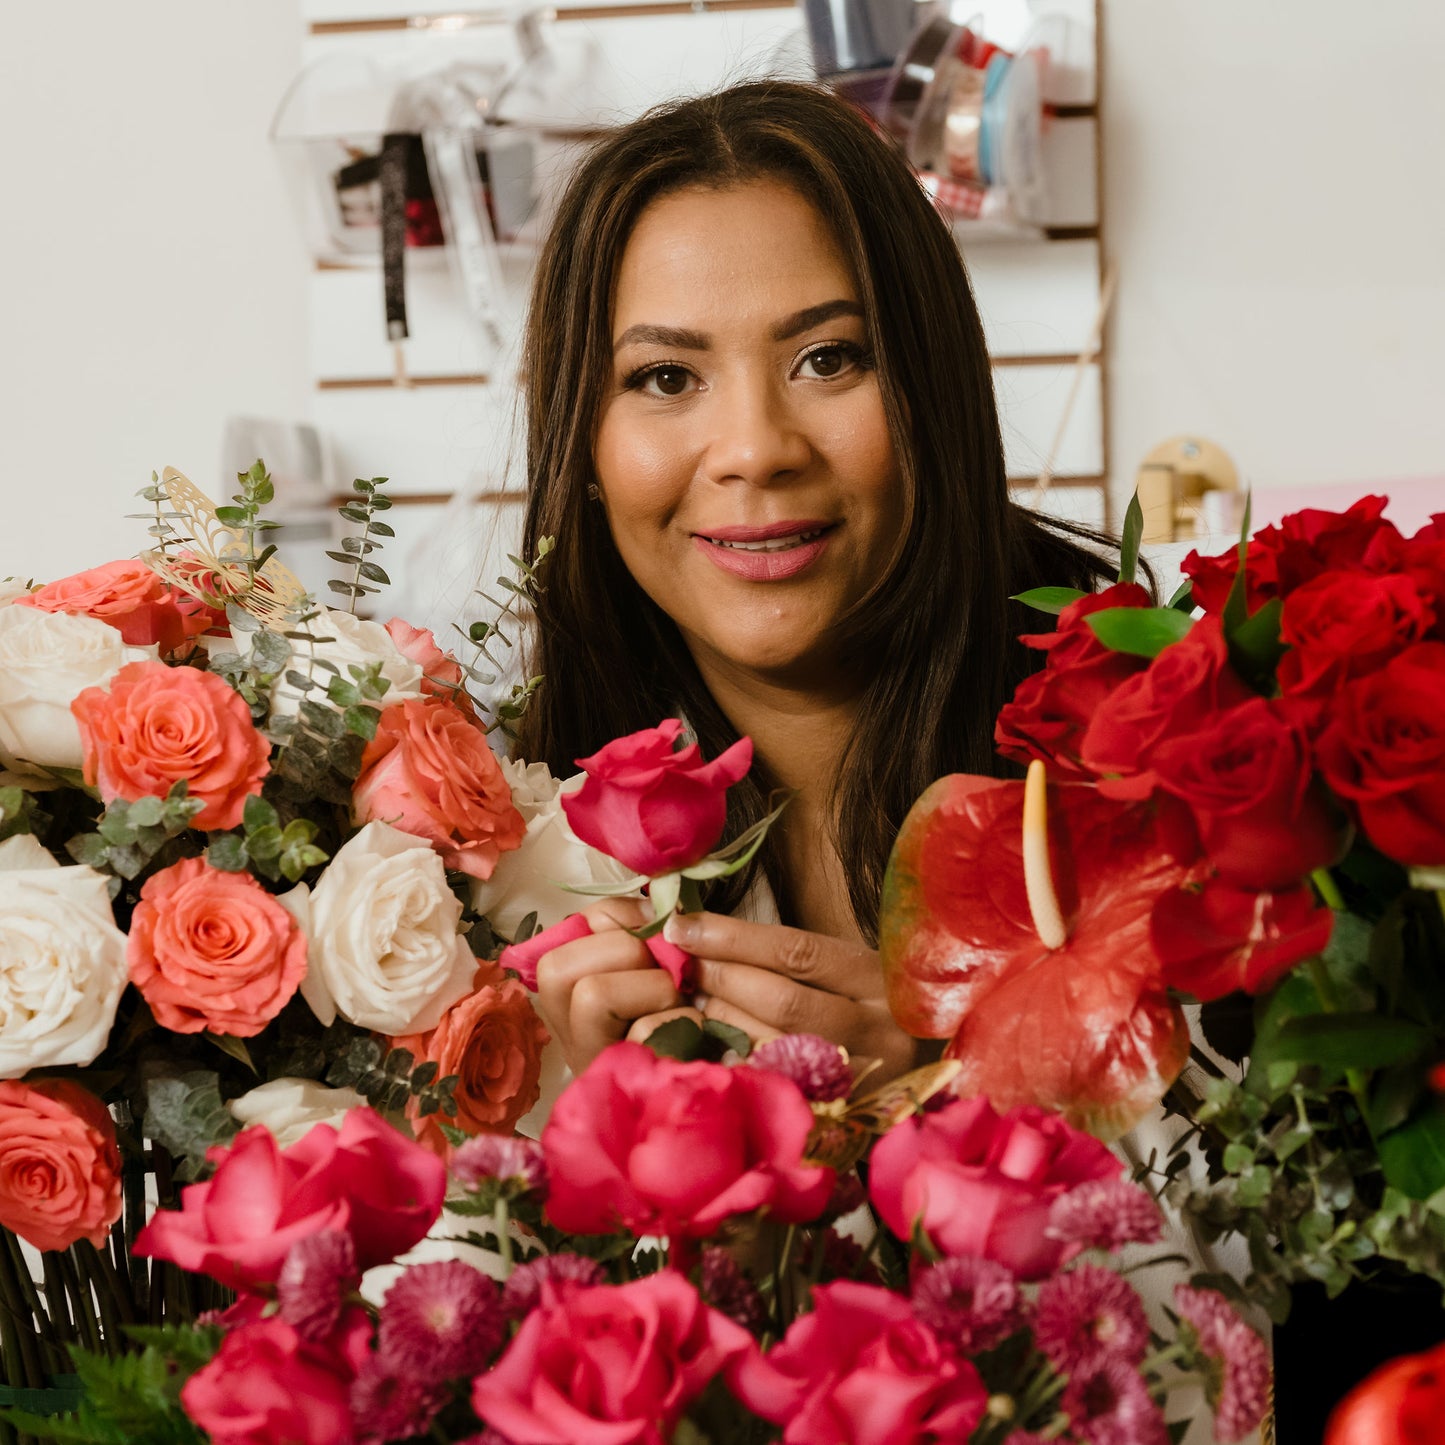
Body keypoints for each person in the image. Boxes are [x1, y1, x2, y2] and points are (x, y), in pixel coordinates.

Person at [512, 79, 1121, 1082]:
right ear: (581, 445)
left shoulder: (1165, 766)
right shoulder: (497, 862)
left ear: (932, 389)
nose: (754, 449)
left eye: (827, 359)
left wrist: (956, 1094)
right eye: (666, 378)